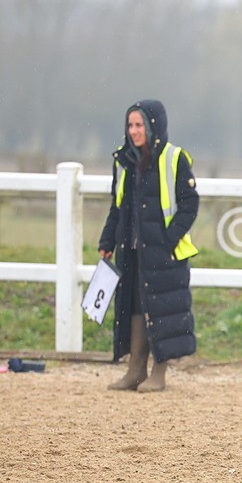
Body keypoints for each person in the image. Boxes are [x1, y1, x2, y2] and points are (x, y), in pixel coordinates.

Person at [98, 100, 200, 391]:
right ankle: (135, 370)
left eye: (139, 124)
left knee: (161, 308)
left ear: (153, 125)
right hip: (130, 251)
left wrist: (169, 239)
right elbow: (116, 208)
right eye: (130, 125)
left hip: (163, 251)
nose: (133, 131)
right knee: (133, 307)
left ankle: (159, 373)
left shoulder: (174, 158)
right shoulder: (124, 161)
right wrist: (107, 241)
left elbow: (190, 203)